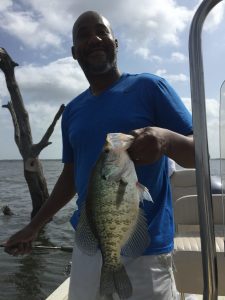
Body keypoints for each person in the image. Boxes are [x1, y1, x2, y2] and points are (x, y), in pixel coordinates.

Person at [4, 11, 195, 300]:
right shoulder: (73, 111)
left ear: (115, 43)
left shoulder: (150, 87)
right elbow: (70, 176)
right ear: (73, 51)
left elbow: (198, 152)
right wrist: (34, 226)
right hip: (89, 246)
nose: (93, 38)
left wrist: (166, 139)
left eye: (101, 32)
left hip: (146, 251)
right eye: (83, 35)